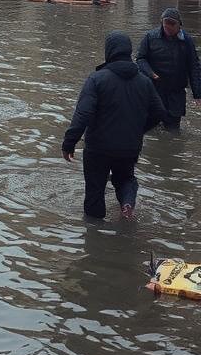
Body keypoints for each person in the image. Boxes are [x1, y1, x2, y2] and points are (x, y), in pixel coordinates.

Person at [63, 32, 167, 220]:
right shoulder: (144, 81)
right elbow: (159, 112)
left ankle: (95, 237)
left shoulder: (96, 79)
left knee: (95, 190)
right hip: (129, 146)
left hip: (98, 148)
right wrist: (138, 129)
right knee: (126, 178)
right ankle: (127, 203)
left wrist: (69, 143)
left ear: (109, 52)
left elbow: (83, 113)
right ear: (128, 52)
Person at [135, 7, 201, 130]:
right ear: (162, 23)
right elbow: (140, 59)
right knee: (151, 128)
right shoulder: (150, 37)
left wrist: (197, 93)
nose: (169, 29)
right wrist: (151, 73)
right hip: (155, 89)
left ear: (179, 25)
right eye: (166, 26)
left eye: (172, 25)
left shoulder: (186, 41)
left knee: (173, 130)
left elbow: (194, 67)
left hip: (176, 92)